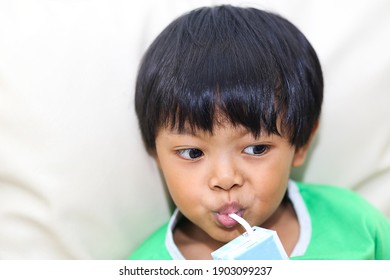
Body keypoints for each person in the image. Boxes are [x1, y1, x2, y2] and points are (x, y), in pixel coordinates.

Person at [129, 4, 390, 260]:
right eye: (192, 152)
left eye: (256, 149)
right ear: (155, 151)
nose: (225, 178)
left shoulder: (356, 224)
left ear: (301, 143)